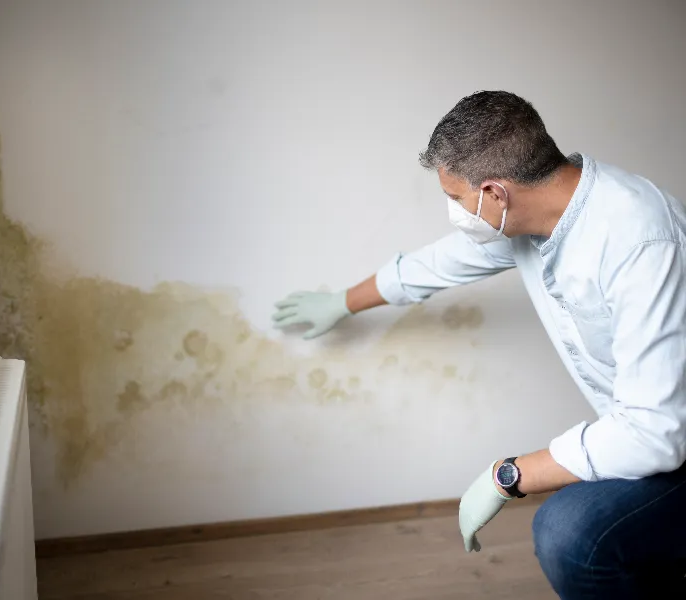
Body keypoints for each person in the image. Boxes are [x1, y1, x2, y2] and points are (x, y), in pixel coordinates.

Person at [271, 91, 686, 599]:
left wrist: (506, 476)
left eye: (454, 197)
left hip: (670, 438)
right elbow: (435, 265)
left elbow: (653, 433)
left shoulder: (638, 240)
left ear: (495, 192)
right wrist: (341, 302)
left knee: (569, 531)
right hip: (657, 434)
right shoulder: (534, 220)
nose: (454, 211)